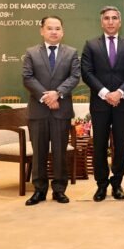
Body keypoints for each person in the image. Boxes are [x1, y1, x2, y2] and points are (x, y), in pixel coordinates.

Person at [81, 6, 124, 202]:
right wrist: (106, 94)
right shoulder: (91, 45)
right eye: (107, 18)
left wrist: (119, 93)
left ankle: (117, 183)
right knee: (99, 145)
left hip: (122, 103)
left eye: (114, 18)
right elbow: (87, 73)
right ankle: (101, 185)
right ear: (101, 22)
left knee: (121, 145)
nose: (111, 21)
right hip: (100, 104)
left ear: (119, 22)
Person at [22, 16, 80, 206]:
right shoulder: (31, 52)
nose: (54, 32)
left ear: (62, 31)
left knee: (59, 152)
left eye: (57, 28)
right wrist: (46, 97)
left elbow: (74, 77)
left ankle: (59, 190)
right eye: (49, 28)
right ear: (42, 31)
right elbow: (27, 77)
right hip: (38, 111)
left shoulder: (71, 53)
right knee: (38, 153)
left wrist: (58, 94)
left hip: (61, 111)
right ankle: (39, 190)